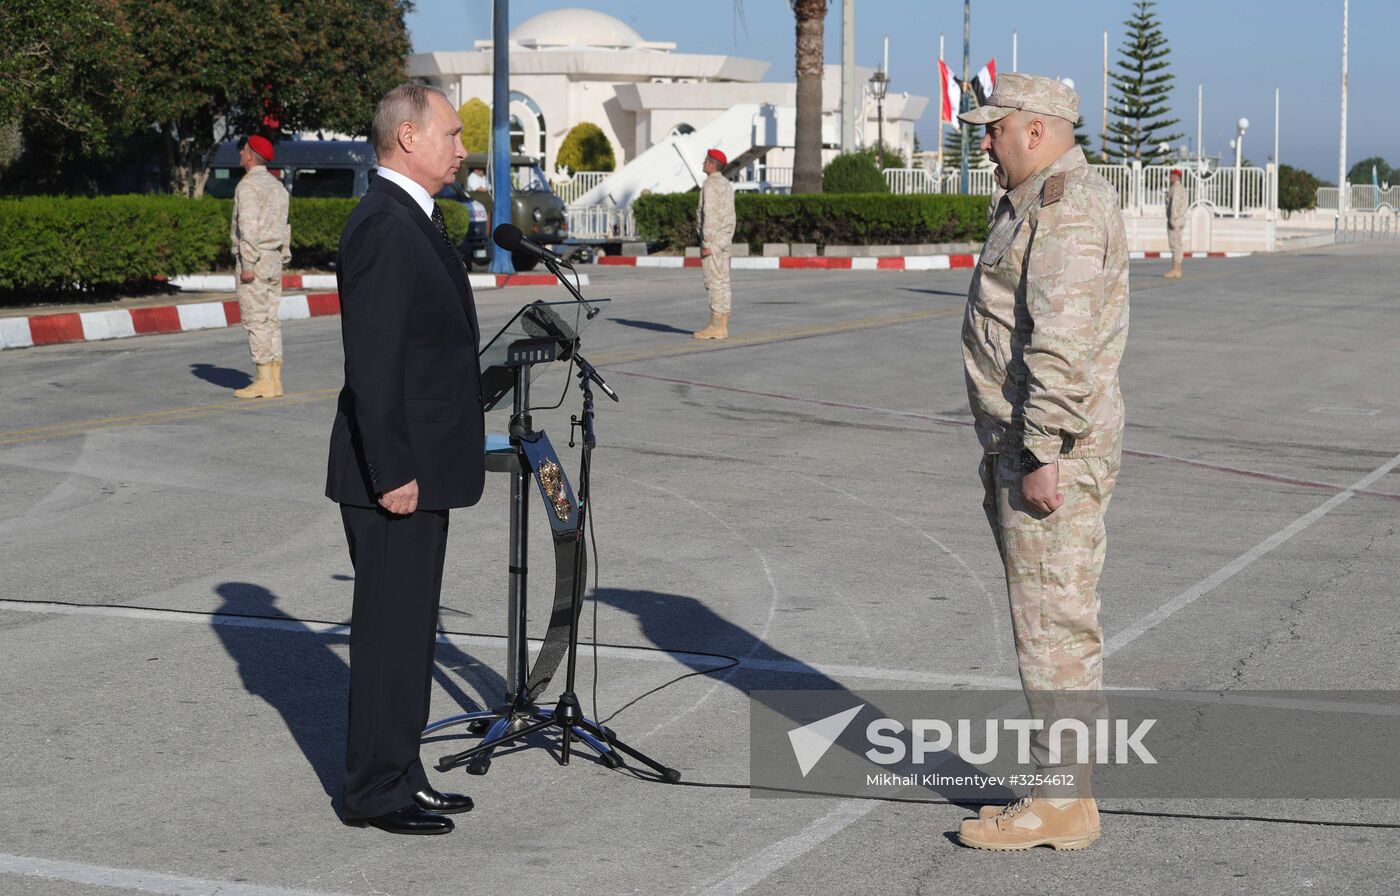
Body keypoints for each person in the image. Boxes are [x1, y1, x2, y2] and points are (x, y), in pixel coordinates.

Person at [952, 72, 1129, 851]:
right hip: (1030, 444)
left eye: (994, 129)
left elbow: (1060, 342)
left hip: (1049, 449)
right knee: (1048, 627)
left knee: (1055, 629)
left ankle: (1062, 807)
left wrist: (1039, 451)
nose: (982, 142)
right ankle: (1060, 796)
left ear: (1037, 129)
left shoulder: (1065, 210)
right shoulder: (1035, 202)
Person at [325, 83, 484, 836]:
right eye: (451, 134)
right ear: (409, 138)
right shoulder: (385, 225)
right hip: (394, 475)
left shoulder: (415, 218)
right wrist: (392, 473)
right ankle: (372, 791)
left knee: (411, 630)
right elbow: (375, 365)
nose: (462, 148)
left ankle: (402, 768)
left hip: (422, 466)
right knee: (390, 634)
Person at [229, 135, 291, 399]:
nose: (241, 153)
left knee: (256, 319)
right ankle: (274, 380)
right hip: (274, 258)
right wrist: (284, 255)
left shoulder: (249, 186)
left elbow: (249, 227)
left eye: (244, 150)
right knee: (270, 318)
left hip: (256, 258)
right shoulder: (278, 186)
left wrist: (247, 263)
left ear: (251, 155)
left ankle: (264, 379)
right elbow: (285, 226)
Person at [692, 148, 735, 340]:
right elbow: (730, 216)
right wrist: (724, 240)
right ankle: (722, 324)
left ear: (711, 164)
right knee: (723, 282)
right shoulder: (726, 185)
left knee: (714, 283)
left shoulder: (710, 185)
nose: (703, 163)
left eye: (705, 160)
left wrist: (707, 242)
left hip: (713, 241)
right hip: (724, 240)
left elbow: (708, 214)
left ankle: (716, 326)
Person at [1164, 168, 1187, 278]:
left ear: (1176, 177)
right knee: (1177, 245)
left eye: (1172, 175)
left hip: (1176, 220)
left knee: (1175, 245)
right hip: (1179, 220)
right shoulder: (1180, 188)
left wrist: (1172, 220)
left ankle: (1176, 270)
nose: (1170, 177)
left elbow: (1175, 205)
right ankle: (1177, 269)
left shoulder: (1176, 188)